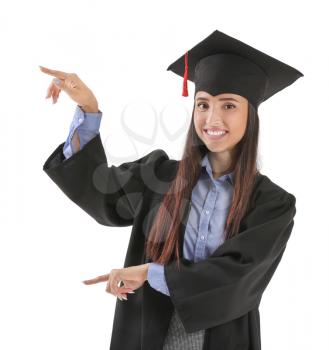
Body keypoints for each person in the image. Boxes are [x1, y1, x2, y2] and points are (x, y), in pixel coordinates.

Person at [40, 29, 303, 350]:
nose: (212, 118)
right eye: (203, 105)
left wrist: (152, 274)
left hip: (223, 337)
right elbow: (101, 196)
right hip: (148, 330)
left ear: (251, 114)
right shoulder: (160, 175)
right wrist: (89, 111)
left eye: (229, 106)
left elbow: (240, 276)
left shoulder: (273, 204)